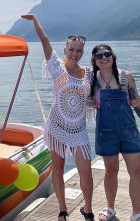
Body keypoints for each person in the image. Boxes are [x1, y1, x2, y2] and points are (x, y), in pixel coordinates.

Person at [21, 14, 94, 221]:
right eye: (71, 49)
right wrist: (36, 20)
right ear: (65, 49)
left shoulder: (88, 73)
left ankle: (88, 209)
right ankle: (62, 211)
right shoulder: (57, 69)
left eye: (79, 50)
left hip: (79, 131)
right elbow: (44, 41)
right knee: (58, 168)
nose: (75, 53)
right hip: (57, 128)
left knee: (86, 173)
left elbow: (94, 98)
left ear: (82, 52)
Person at [90, 44, 140, 221]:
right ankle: (110, 208)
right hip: (105, 133)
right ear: (94, 60)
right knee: (111, 171)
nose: (104, 58)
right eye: (99, 56)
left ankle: (137, 213)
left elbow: (136, 102)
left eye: (107, 54)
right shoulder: (91, 80)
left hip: (129, 132)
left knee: (137, 172)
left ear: (113, 56)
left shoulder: (126, 77)